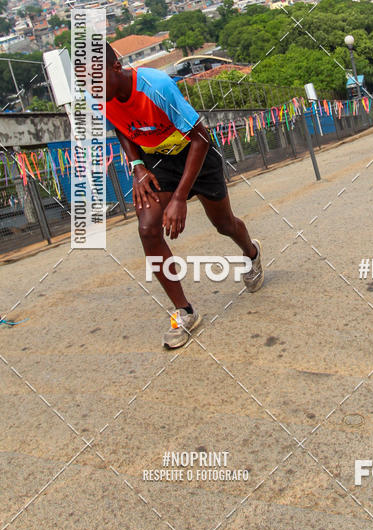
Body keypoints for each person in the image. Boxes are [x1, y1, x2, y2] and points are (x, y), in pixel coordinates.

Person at [101, 44, 263, 348]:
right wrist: (137, 166)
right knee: (148, 229)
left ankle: (252, 253)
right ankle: (184, 311)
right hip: (158, 163)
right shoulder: (99, 95)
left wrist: (179, 198)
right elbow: (121, 126)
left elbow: (201, 137)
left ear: (116, 66)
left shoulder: (156, 85)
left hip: (195, 155)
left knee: (224, 224)